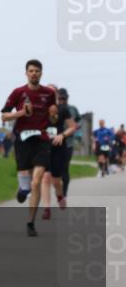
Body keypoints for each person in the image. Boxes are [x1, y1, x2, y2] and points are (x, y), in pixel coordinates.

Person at [0, 60, 58, 237]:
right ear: (26, 73)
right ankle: (22, 189)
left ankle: (30, 222)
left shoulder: (49, 93)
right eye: (31, 71)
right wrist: (20, 113)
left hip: (42, 139)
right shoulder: (18, 92)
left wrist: (53, 115)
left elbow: (53, 121)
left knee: (37, 180)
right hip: (23, 140)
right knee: (26, 184)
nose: (34, 74)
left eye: (37, 71)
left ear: (41, 73)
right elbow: (4, 116)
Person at [40, 87, 79, 218]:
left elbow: (73, 126)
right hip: (44, 147)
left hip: (58, 147)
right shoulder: (40, 108)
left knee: (56, 180)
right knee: (45, 178)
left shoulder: (63, 109)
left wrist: (62, 135)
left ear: (56, 95)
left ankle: (60, 195)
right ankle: (46, 209)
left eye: (52, 92)